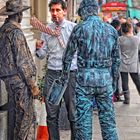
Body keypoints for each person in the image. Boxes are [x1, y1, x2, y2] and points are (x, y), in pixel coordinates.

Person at [61, 0, 120, 139]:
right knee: (109, 124)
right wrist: (114, 83)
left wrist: (64, 77)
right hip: (104, 80)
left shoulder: (79, 29)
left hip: (84, 81)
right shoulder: (111, 30)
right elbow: (117, 60)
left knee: (83, 125)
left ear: (85, 11)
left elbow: (67, 56)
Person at [35, 0, 77, 140]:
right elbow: (42, 55)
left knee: (73, 113)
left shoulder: (73, 28)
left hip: (70, 74)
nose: (55, 13)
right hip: (53, 74)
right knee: (51, 114)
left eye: (58, 10)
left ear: (64, 11)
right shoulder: (47, 30)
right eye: (52, 10)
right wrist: (38, 48)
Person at [0, 0, 40, 140]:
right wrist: (33, 86)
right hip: (19, 84)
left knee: (12, 121)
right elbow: (23, 63)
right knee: (24, 121)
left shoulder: (3, 30)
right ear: (19, 15)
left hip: (7, 82)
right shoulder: (16, 33)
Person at [119, 22, 140, 104]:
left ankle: (127, 99)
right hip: (134, 64)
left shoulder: (120, 39)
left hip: (123, 63)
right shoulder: (137, 39)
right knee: (137, 81)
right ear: (130, 29)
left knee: (124, 82)